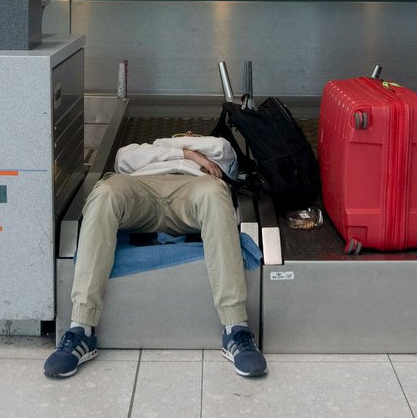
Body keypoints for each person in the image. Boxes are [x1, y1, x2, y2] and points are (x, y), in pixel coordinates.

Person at [43, 132, 268, 379]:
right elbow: (123, 160)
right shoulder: (148, 148)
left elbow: (221, 151)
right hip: (140, 188)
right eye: (183, 135)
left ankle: (236, 328)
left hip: (193, 187)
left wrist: (186, 152)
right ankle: (81, 330)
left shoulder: (215, 146)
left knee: (215, 194)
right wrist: (186, 152)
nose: (188, 136)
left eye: (192, 135)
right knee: (105, 192)